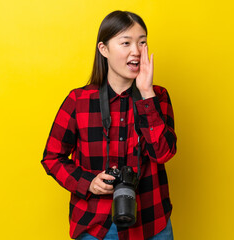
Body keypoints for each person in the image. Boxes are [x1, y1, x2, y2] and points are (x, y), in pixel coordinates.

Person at [41, 10, 177, 240]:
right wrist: (89, 183)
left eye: (142, 42)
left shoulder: (157, 97)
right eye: (126, 43)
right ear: (104, 49)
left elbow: (163, 153)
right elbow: (52, 158)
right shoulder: (78, 101)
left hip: (151, 222)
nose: (136, 50)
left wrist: (146, 94)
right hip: (96, 225)